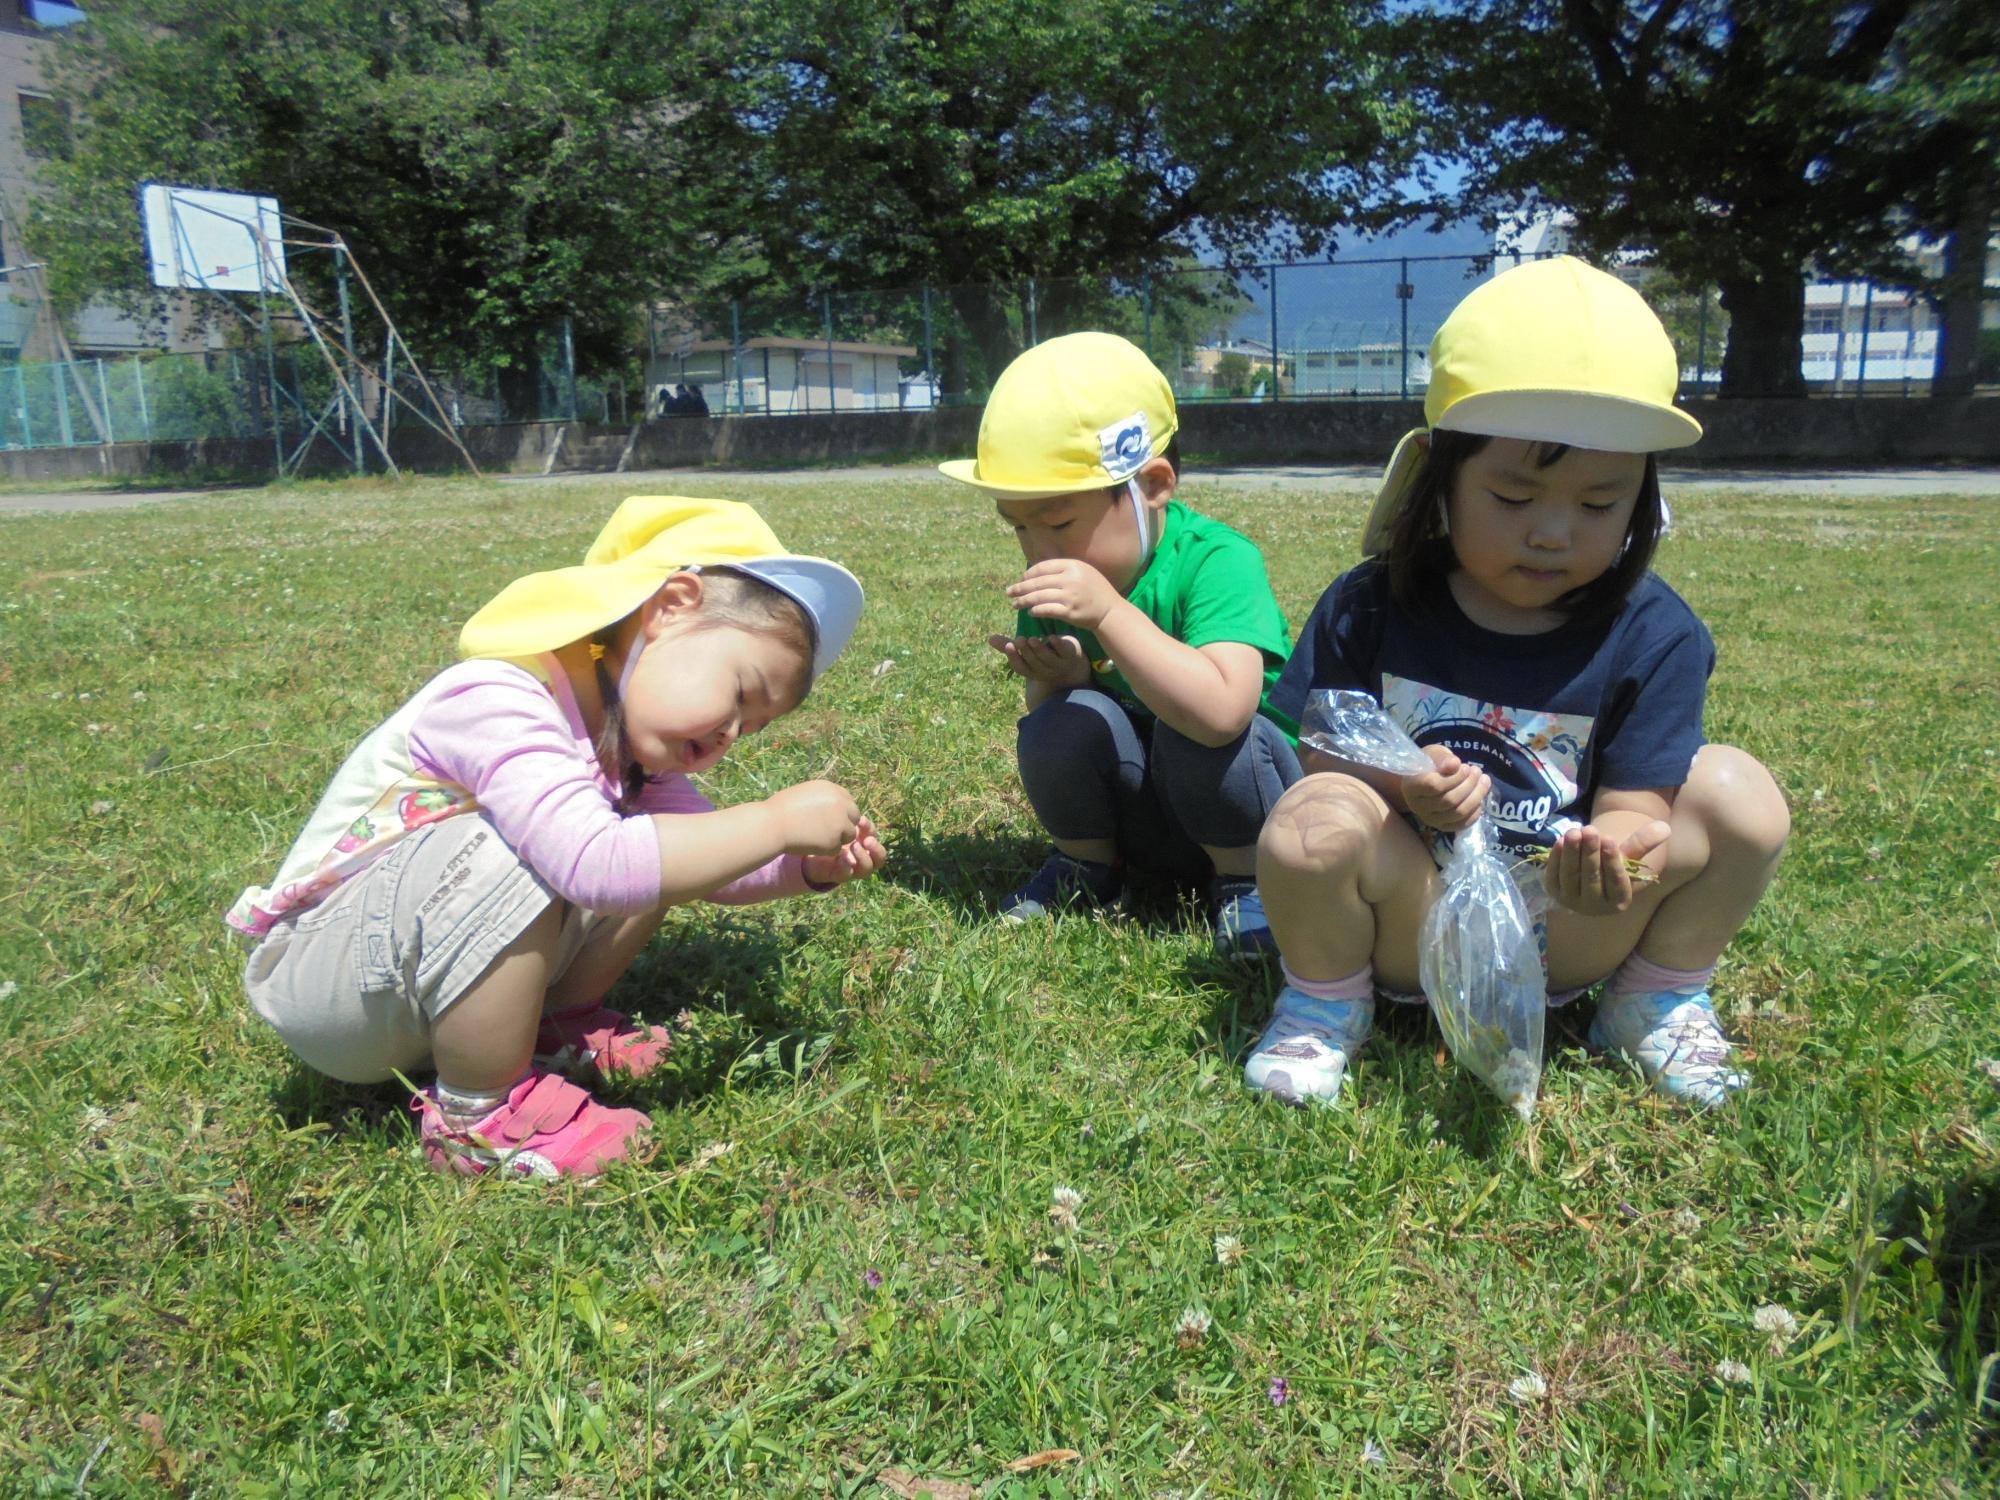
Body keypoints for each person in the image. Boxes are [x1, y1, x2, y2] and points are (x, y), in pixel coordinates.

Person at [1248, 258, 1789, 1109]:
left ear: (1642, 499)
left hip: (1564, 934)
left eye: (1599, 503)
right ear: (1439, 479)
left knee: (1741, 793)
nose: (1551, 533)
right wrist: (1404, 786)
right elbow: (1321, 752)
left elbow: (1642, 807)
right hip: (1414, 923)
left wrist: (1612, 858)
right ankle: (1325, 1002)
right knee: (1305, 820)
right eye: (1512, 494)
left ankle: (1653, 996)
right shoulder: (1374, 603)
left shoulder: (1655, 633)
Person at [229, 497, 885, 1177]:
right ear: (670, 606)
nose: (729, 735)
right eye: (742, 693)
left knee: (660, 846)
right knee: (558, 848)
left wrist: (802, 868)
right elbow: (596, 865)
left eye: (751, 729)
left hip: (409, 976)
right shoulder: (499, 696)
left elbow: (703, 860)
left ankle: (549, 1031)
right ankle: (477, 1118)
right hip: (335, 989)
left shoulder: (631, 751)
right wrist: (774, 820)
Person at [939, 332, 1301, 958]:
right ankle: (1088, 869)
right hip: (1152, 817)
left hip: (1253, 814)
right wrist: (1064, 677)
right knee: (1062, 720)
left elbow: (1221, 714)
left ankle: (1249, 885)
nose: (1037, 548)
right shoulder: (1065, 579)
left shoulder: (1218, 560)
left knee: (1192, 721)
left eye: (1056, 522)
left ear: (1154, 485)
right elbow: (1048, 725)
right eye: (1019, 525)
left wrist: (1109, 614)